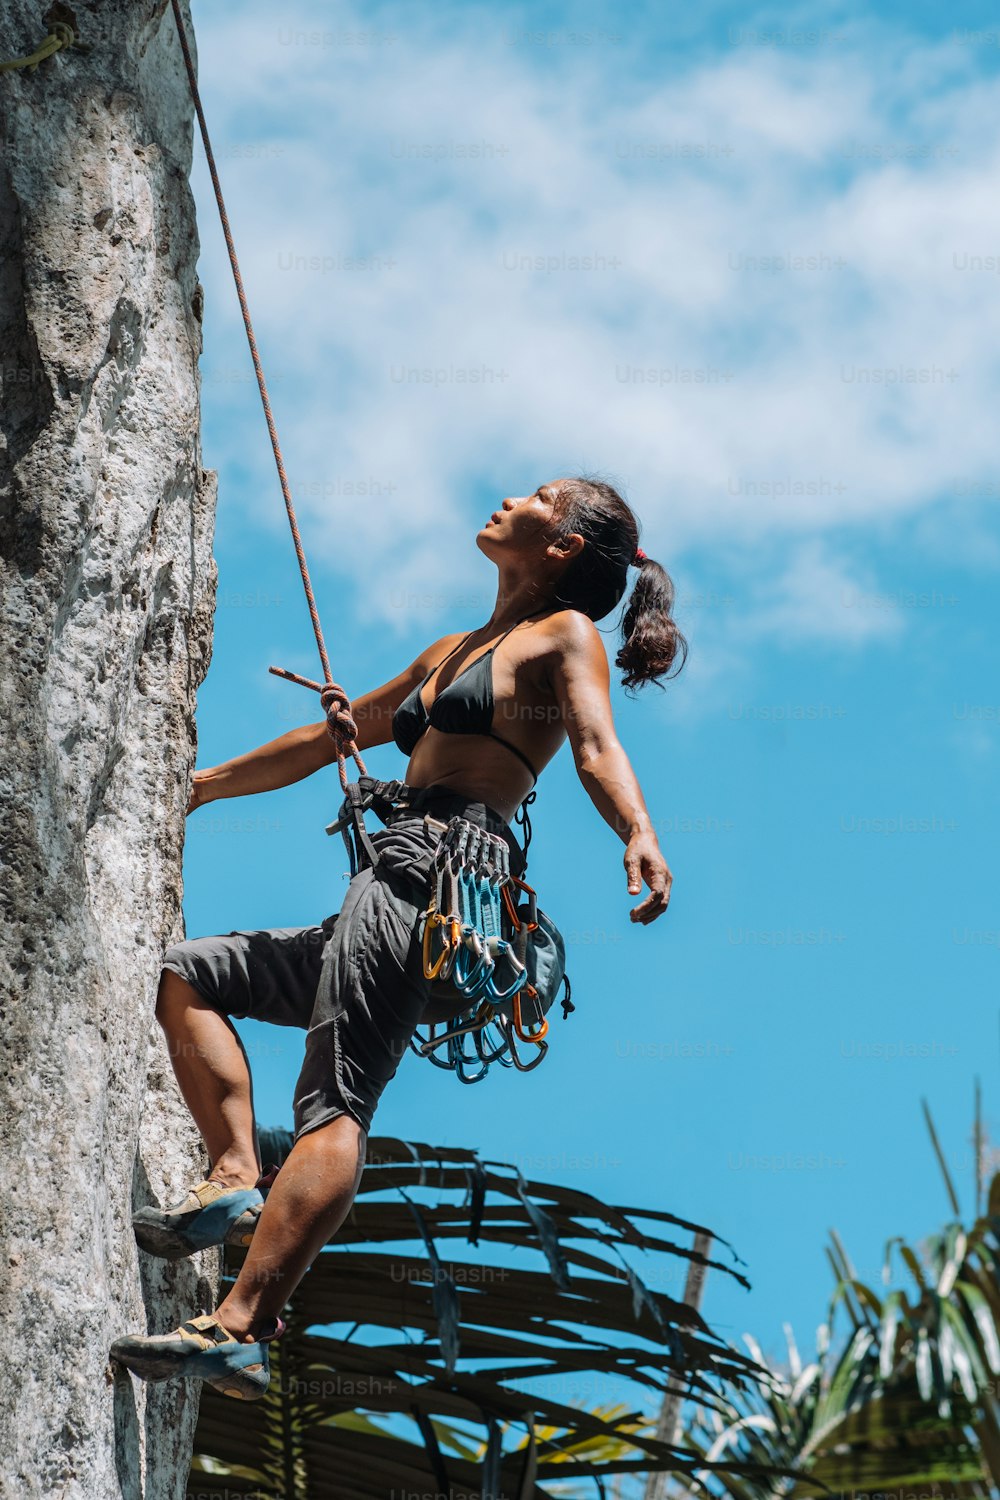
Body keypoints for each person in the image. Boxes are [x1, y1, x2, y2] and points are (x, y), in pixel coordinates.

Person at [110, 476, 687, 1399]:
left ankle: (241, 1325)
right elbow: (329, 739)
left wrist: (639, 831)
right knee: (193, 977)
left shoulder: (562, 636)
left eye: (539, 496)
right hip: (386, 884)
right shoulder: (452, 649)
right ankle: (231, 1175)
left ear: (566, 548)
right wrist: (204, 783)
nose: (508, 498)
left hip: (438, 873)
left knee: (337, 1101)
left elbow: (593, 745)